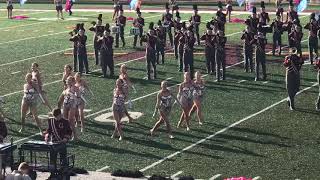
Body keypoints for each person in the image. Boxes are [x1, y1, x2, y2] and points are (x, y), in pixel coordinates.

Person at [44, 109, 72, 175]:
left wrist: (66, 138)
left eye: (57, 116)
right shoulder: (51, 121)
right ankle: (52, 173)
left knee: (63, 158)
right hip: (53, 143)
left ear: (60, 115)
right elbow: (49, 130)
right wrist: (47, 136)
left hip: (62, 143)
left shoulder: (65, 122)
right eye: (55, 117)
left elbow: (69, 131)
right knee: (52, 159)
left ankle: (63, 172)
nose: (56, 118)